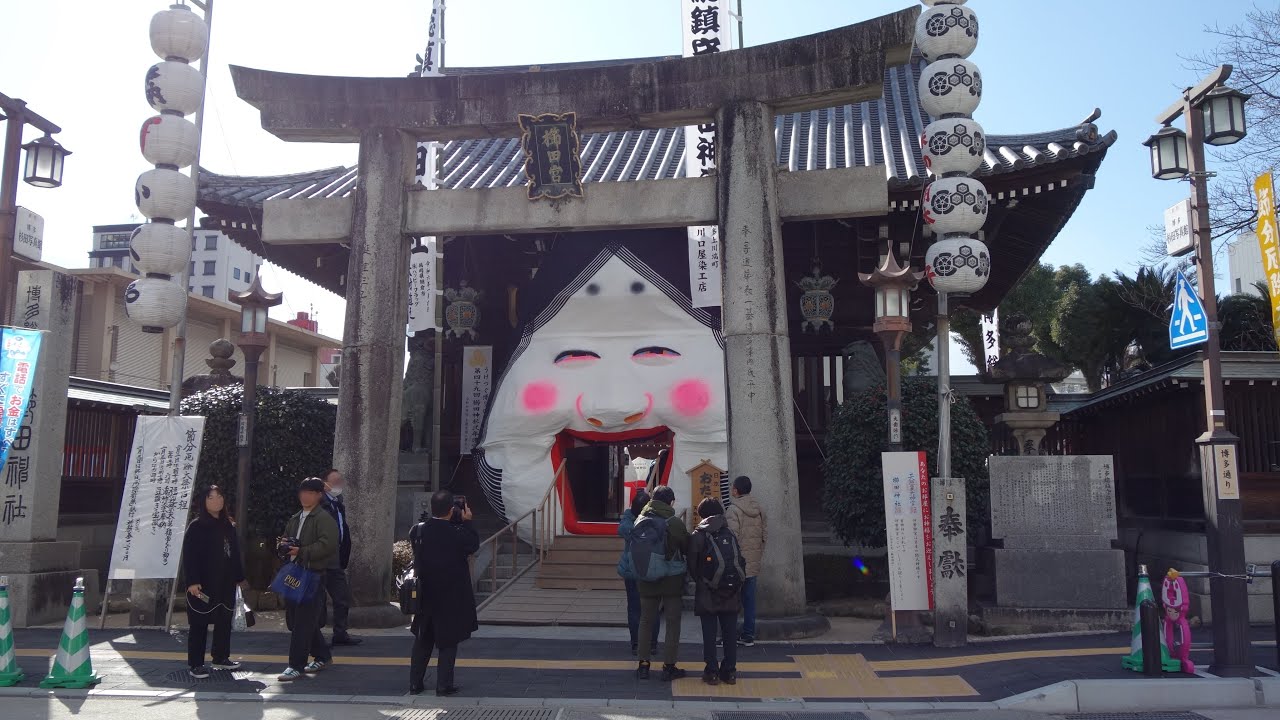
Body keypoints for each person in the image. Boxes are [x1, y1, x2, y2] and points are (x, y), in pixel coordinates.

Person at [408, 490, 480, 696]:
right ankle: (443, 684)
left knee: (423, 639)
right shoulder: (457, 533)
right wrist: (467, 522)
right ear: (452, 510)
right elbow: (472, 545)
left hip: (425, 593)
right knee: (448, 640)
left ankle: (415, 683)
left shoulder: (418, 531)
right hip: (451, 594)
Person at [277, 477, 339, 682]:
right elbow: (285, 538)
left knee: (303, 622)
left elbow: (328, 545)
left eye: (310, 493)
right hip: (295, 573)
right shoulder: (295, 518)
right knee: (297, 620)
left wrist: (302, 551)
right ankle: (322, 655)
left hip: (313, 575)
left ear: (319, 495)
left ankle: (296, 665)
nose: (305, 496)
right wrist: (284, 546)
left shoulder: (323, 518)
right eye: (302, 492)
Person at [181, 485, 246, 679]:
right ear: (203, 501)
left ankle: (221, 657)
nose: (216, 501)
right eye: (211, 497)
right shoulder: (196, 526)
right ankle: (196, 664)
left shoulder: (228, 525)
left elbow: (235, 554)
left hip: (226, 582)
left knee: (224, 620)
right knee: (199, 622)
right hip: (203, 584)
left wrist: (239, 577)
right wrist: (192, 581)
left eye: (219, 496)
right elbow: (189, 556)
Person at [635, 484, 689, 681]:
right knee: (673, 622)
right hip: (671, 580)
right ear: (671, 502)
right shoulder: (674, 523)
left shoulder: (640, 519)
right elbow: (686, 546)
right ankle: (669, 666)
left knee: (646, 621)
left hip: (646, 577)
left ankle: (643, 665)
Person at [688, 498, 743, 685]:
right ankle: (730, 671)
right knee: (729, 633)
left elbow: (692, 566)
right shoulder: (730, 533)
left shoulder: (698, 536)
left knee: (709, 634)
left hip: (707, 592)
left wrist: (702, 580)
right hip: (731, 590)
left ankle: (712, 672)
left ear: (702, 514)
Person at [321, 468, 361, 646]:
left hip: (336, 559)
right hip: (322, 558)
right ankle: (315, 635)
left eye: (340, 481)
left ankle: (340, 632)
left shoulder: (338, 503)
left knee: (342, 597)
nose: (339, 485)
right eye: (335, 482)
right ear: (325, 485)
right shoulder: (321, 504)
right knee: (319, 599)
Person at [725, 475, 766, 646]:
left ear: (736, 490)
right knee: (749, 601)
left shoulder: (733, 510)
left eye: (732, 487)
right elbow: (764, 535)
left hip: (738, 563)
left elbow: (731, 538)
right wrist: (758, 554)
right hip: (753, 562)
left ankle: (729, 636)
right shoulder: (759, 509)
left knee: (731, 600)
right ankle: (748, 635)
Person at [618, 488, 660, 655]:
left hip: (631, 570)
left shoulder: (628, 522)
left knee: (634, 608)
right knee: (652, 607)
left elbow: (624, 530)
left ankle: (636, 643)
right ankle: (652, 643)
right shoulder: (655, 523)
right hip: (651, 568)